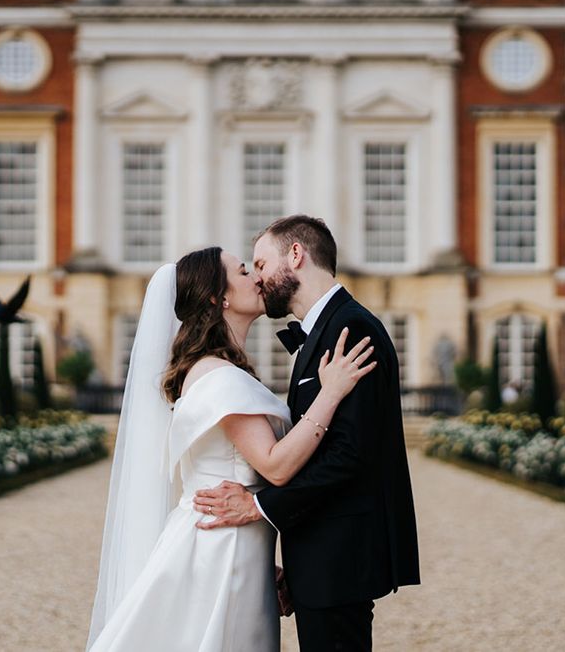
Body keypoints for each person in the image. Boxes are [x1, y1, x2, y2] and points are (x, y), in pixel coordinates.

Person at [87, 247, 376, 651]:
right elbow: (274, 467)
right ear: (217, 297)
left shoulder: (219, 369)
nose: (257, 277)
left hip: (235, 544)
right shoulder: (219, 376)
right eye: (243, 271)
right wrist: (330, 394)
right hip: (221, 549)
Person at [193, 215, 421, 651]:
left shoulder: (351, 329)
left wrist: (257, 506)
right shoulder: (324, 331)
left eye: (260, 264)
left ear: (295, 255)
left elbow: (349, 454)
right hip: (320, 559)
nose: (257, 279)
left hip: (340, 558)